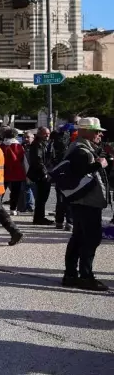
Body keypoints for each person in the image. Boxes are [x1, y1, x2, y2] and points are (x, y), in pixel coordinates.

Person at [50, 118, 109, 291]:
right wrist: (98, 165)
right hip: (87, 201)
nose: (100, 134)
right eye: (96, 131)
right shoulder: (82, 151)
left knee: (79, 237)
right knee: (90, 238)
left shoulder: (81, 148)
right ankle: (85, 276)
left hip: (83, 201)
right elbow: (80, 173)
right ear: (85, 131)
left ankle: (71, 275)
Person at [50, 125, 76, 231]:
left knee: (60, 199)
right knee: (69, 198)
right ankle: (69, 222)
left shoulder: (54, 142)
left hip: (58, 173)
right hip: (69, 173)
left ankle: (59, 221)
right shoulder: (71, 143)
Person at [27, 126, 52, 225]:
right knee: (41, 198)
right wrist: (45, 173)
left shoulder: (44, 143)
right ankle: (39, 218)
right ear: (40, 133)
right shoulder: (37, 144)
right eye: (45, 133)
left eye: (48, 134)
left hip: (43, 173)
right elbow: (38, 160)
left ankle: (40, 217)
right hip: (40, 175)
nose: (47, 135)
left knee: (43, 198)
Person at [1, 127, 28, 216]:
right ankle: (13, 209)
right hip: (17, 171)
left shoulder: (2, 146)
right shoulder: (19, 146)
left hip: (4, 171)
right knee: (16, 192)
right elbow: (23, 160)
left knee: (1, 191)